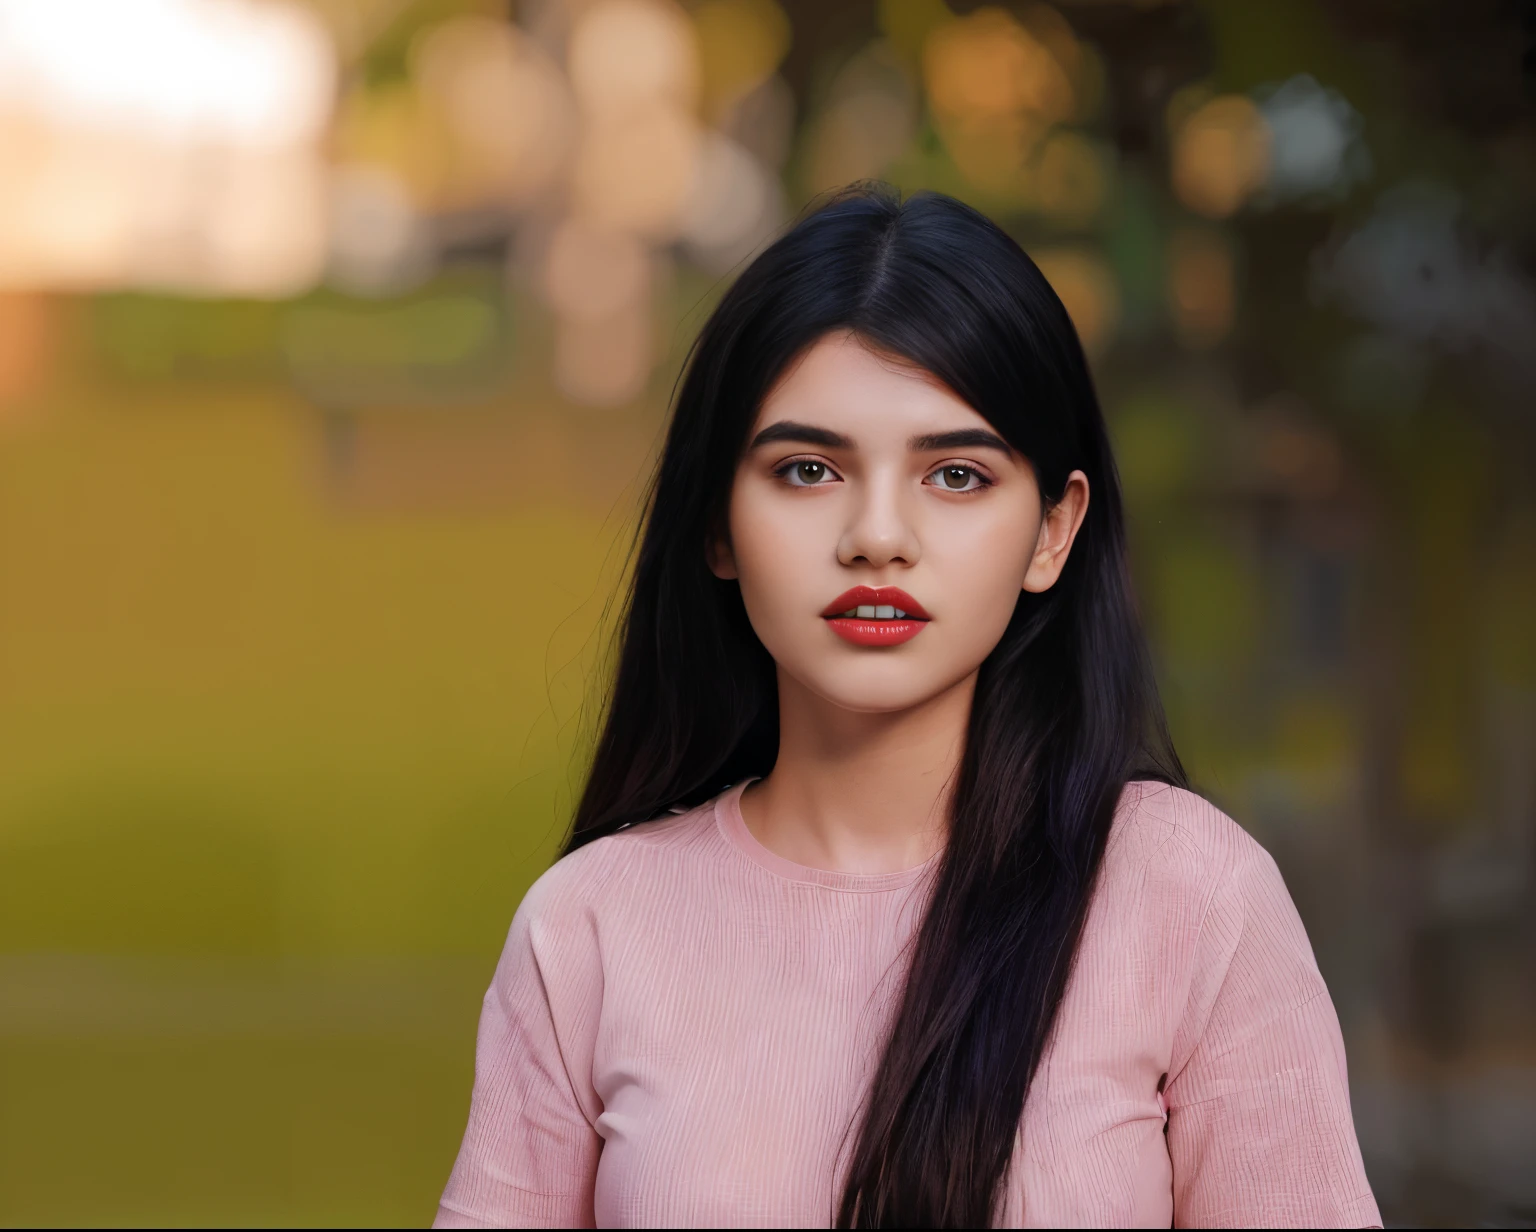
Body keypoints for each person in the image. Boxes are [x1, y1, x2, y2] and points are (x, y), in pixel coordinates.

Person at [433, 186, 1381, 1228]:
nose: (877, 535)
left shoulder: (1194, 898)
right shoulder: (590, 927)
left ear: (1051, 532)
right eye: (807, 469)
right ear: (717, 524)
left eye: (957, 475)